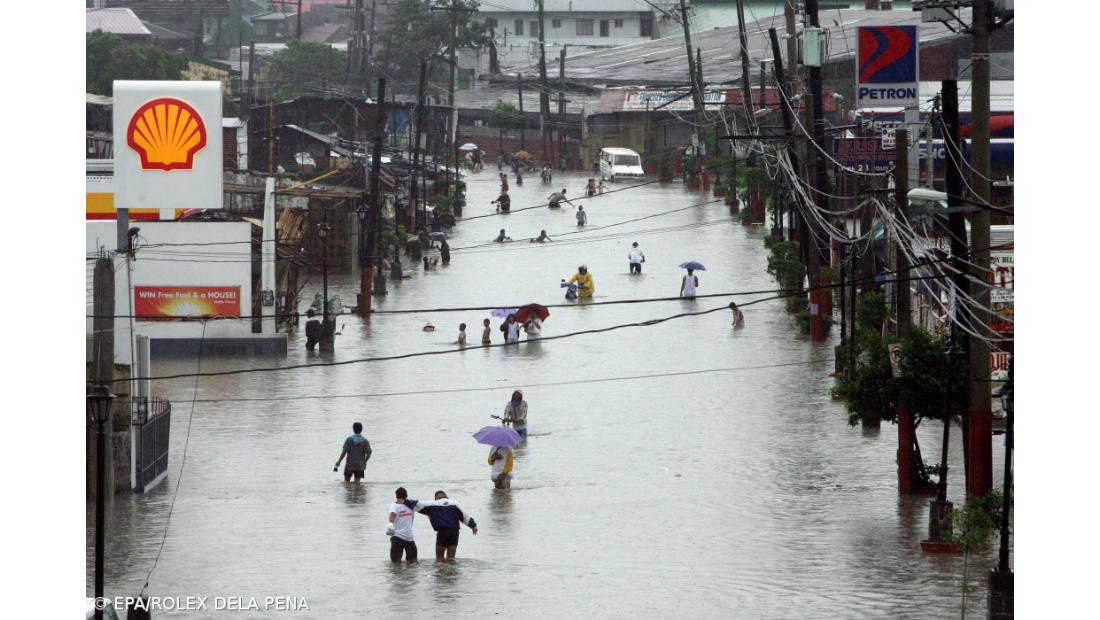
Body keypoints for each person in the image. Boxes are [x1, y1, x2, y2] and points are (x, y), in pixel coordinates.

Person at [403, 490, 478, 562]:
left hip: (442, 532)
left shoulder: (434, 504)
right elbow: (465, 517)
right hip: (454, 533)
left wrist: (403, 500)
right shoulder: (455, 504)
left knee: (439, 559)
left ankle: (440, 570)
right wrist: (473, 526)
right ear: (446, 496)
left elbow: (417, 504)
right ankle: (452, 570)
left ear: (436, 498)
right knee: (451, 559)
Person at [388, 487, 418, 563]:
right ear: (406, 495)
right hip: (409, 537)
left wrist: (390, 525)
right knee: (413, 562)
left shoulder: (394, 505)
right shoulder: (411, 505)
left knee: (395, 564)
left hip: (397, 537)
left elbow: (392, 515)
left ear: (396, 496)